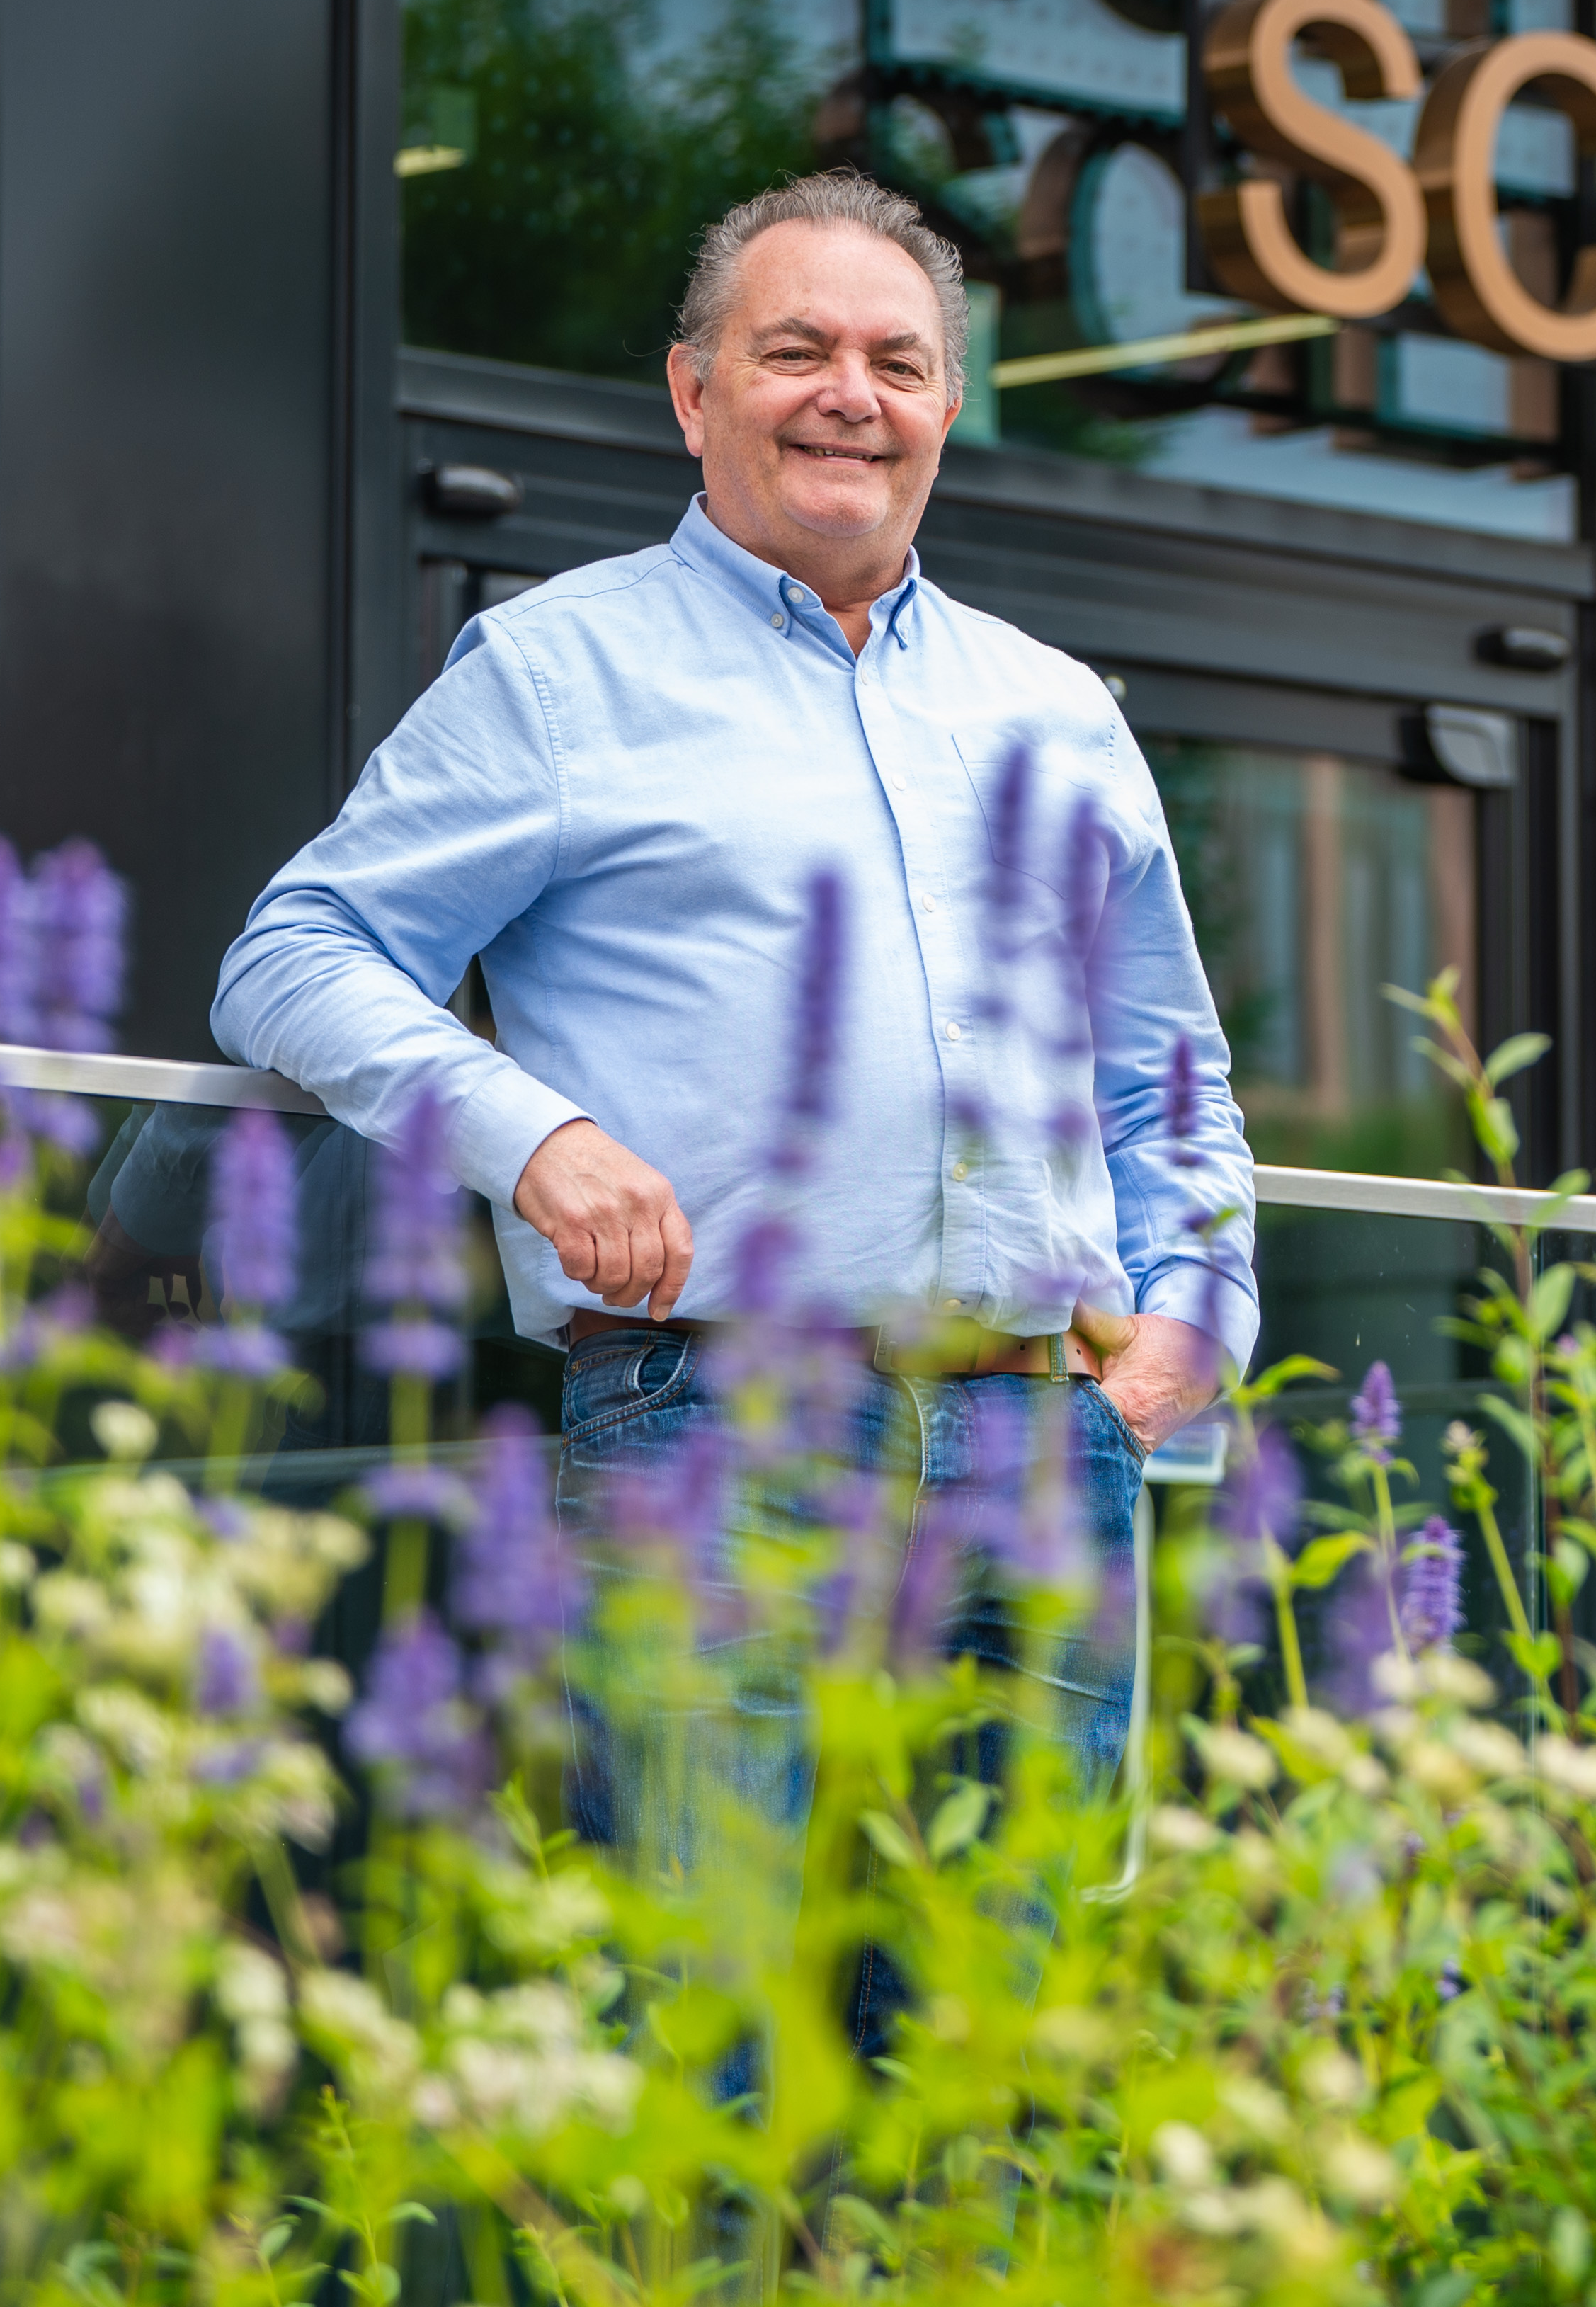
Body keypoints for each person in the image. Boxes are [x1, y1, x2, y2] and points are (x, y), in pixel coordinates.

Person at [213, 169, 1254, 2036]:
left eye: (896, 359)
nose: (849, 392)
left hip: (1044, 1452)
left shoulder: (1057, 713)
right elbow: (298, 954)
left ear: (946, 404)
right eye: (796, 352)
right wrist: (531, 1137)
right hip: (713, 1433)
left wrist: (1191, 1321)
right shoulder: (560, 669)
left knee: (1004, 2070)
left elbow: (1163, 1061)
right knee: (714, 2052)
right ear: (696, 395)